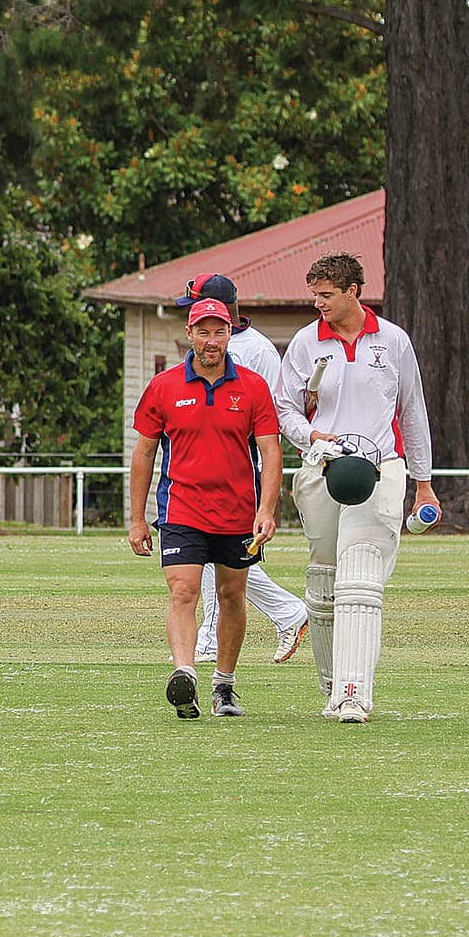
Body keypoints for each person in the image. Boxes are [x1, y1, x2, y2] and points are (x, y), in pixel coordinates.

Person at [274, 252, 438, 724]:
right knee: (325, 581)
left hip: (381, 467)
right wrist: (311, 435)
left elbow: (413, 413)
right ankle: (331, 685)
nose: (318, 303)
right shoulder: (307, 342)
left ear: (353, 291)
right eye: (314, 295)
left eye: (326, 295)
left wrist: (423, 485)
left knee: (360, 576)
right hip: (323, 467)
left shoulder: (393, 341)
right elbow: (285, 409)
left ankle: (354, 693)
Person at [127, 298, 282, 718]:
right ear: (189, 334)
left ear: (230, 334)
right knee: (183, 591)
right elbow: (143, 454)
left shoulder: (252, 387)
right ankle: (184, 674)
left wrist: (266, 510)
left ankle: (224, 685)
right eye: (204, 332)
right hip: (182, 511)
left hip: (237, 514)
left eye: (220, 332)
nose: (211, 341)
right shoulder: (163, 387)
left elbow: (271, 452)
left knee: (232, 595)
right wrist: (138, 518)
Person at [177, 273, 310, 666]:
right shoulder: (216, 347)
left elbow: (268, 421)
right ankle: (286, 612)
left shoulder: (257, 351)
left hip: (240, 467)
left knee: (220, 556)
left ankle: (212, 638)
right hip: (202, 468)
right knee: (201, 553)